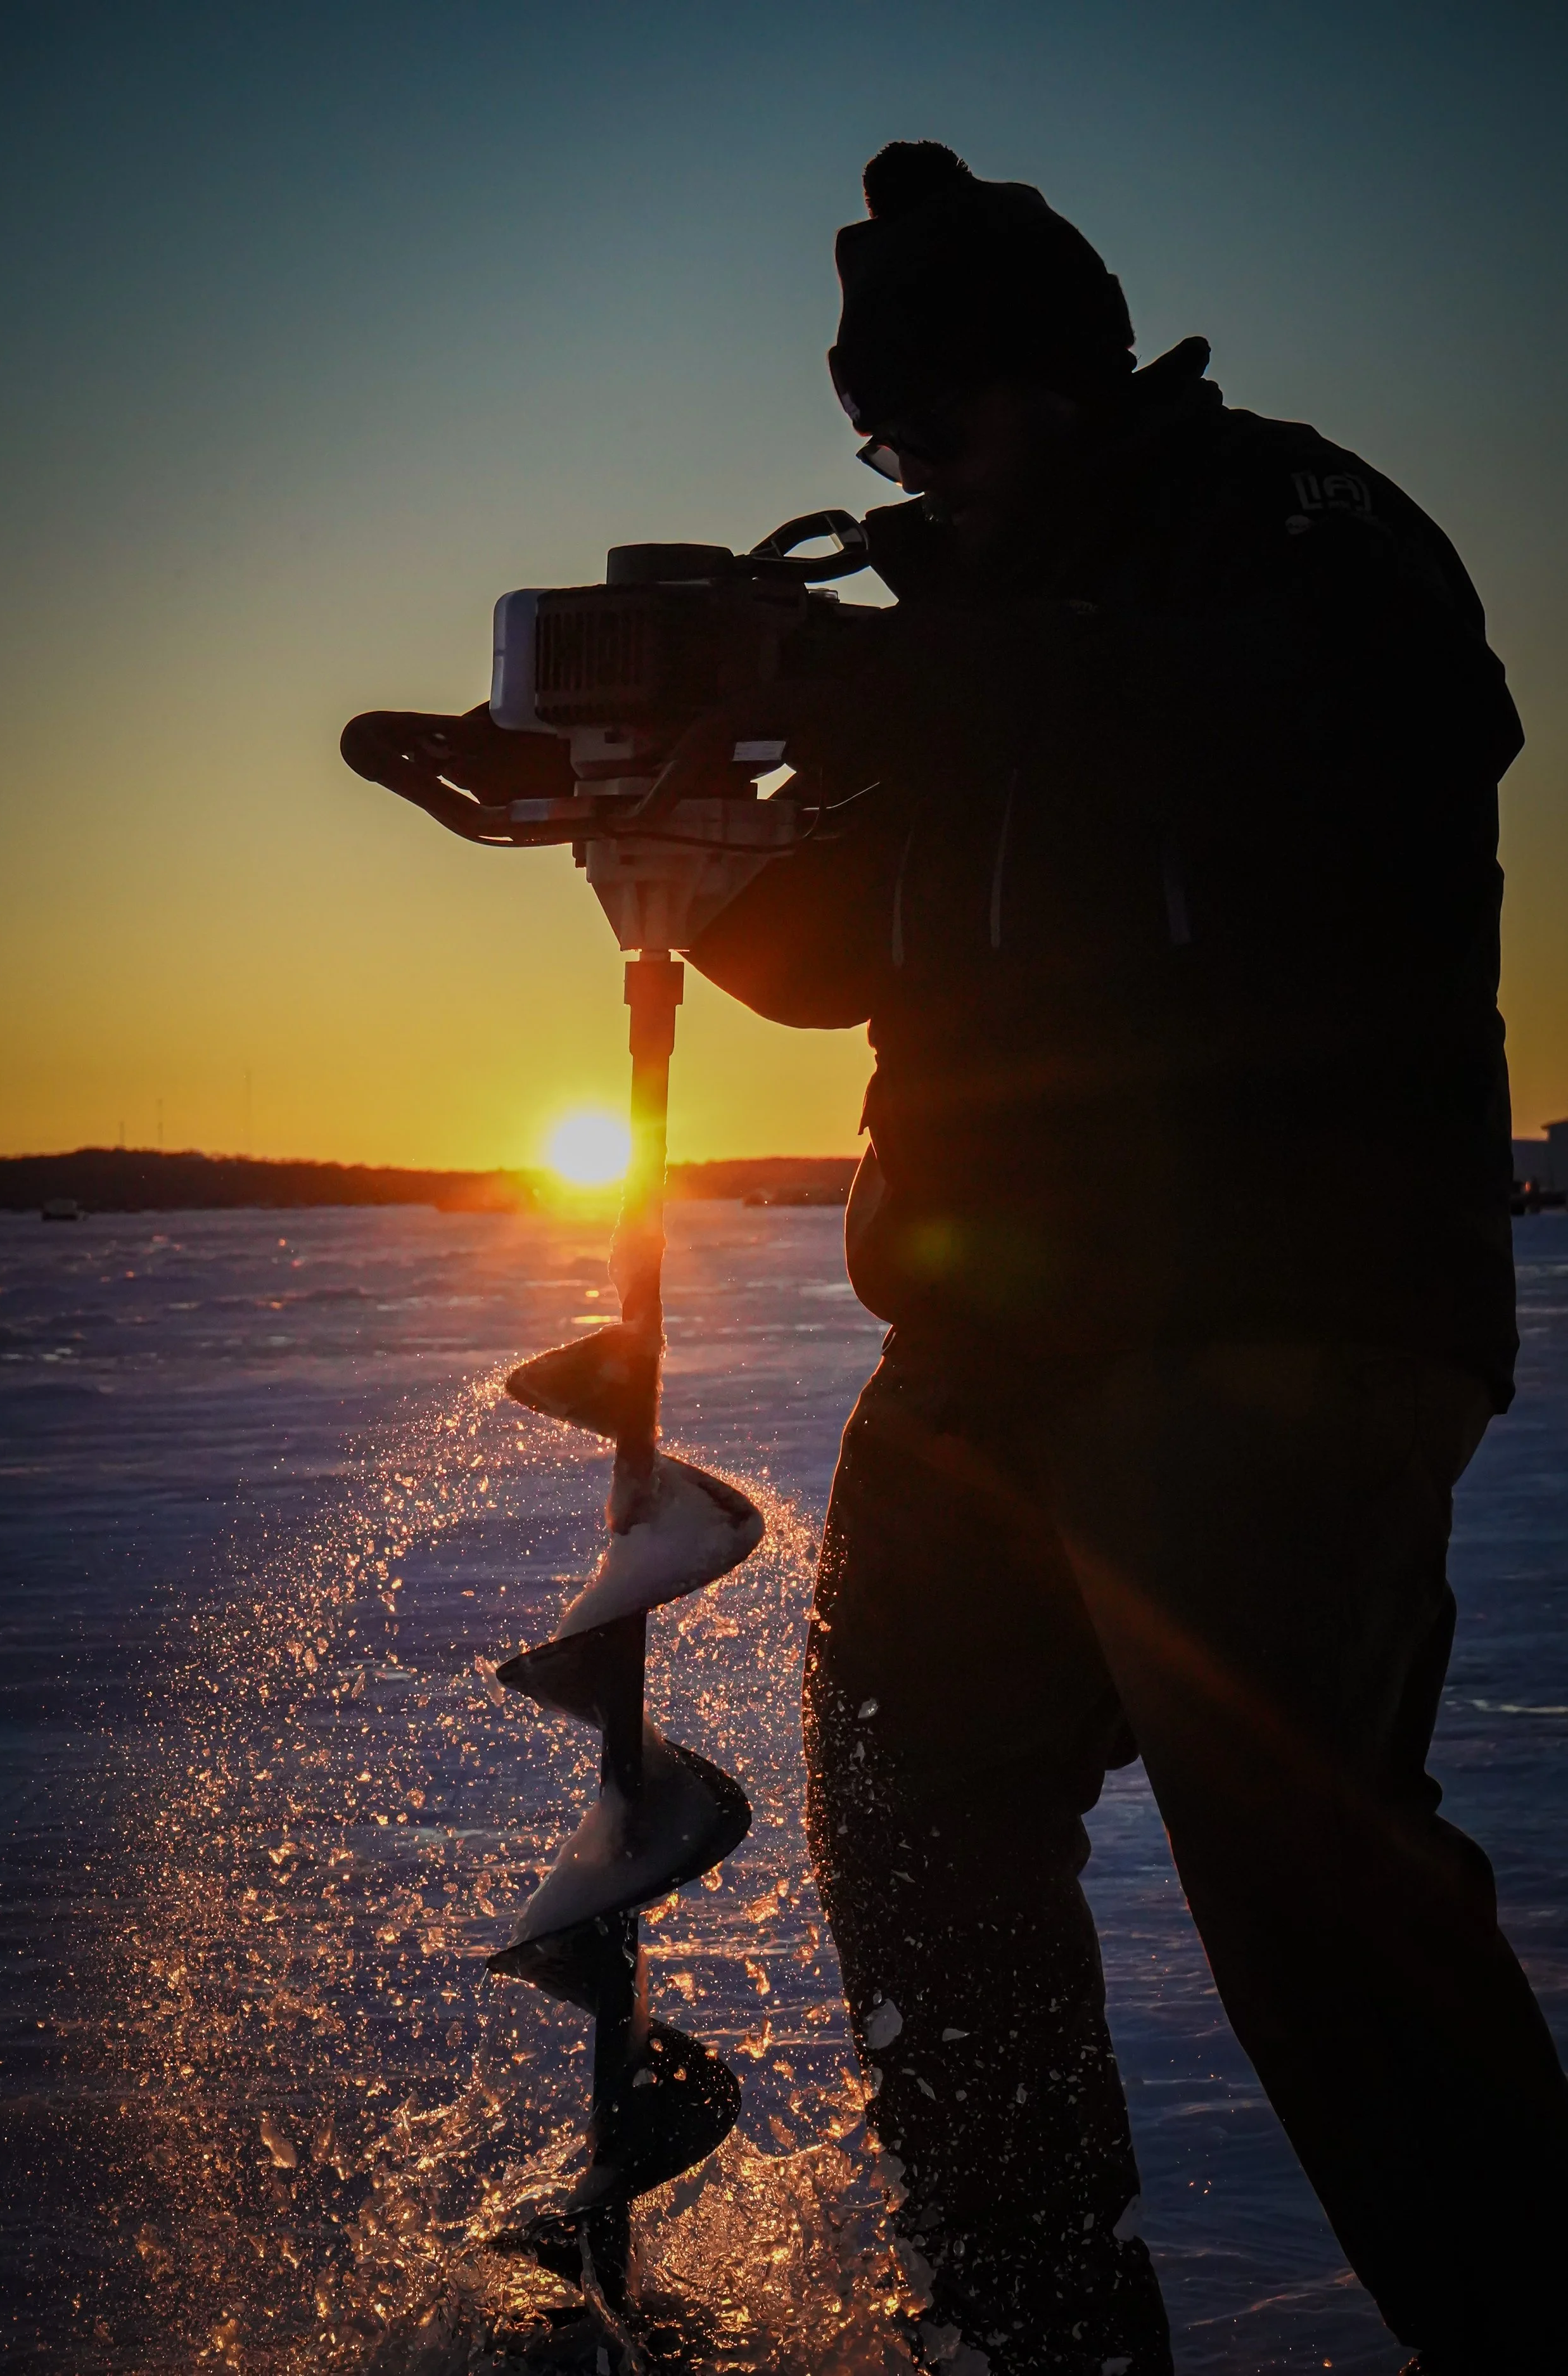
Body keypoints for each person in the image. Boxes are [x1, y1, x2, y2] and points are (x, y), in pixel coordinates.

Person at [666, 142, 1568, 2375]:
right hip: (984, 1322)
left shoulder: (1289, 529)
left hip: (1273, 1301)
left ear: (1056, 387)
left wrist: (877, 682)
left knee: (1306, 1883)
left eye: (934, 435)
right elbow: (817, 946)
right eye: (875, 449)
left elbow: (1292, 733)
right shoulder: (955, 643)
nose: (905, 480)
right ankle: (1038, 2336)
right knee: (911, 1818)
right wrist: (658, 830)